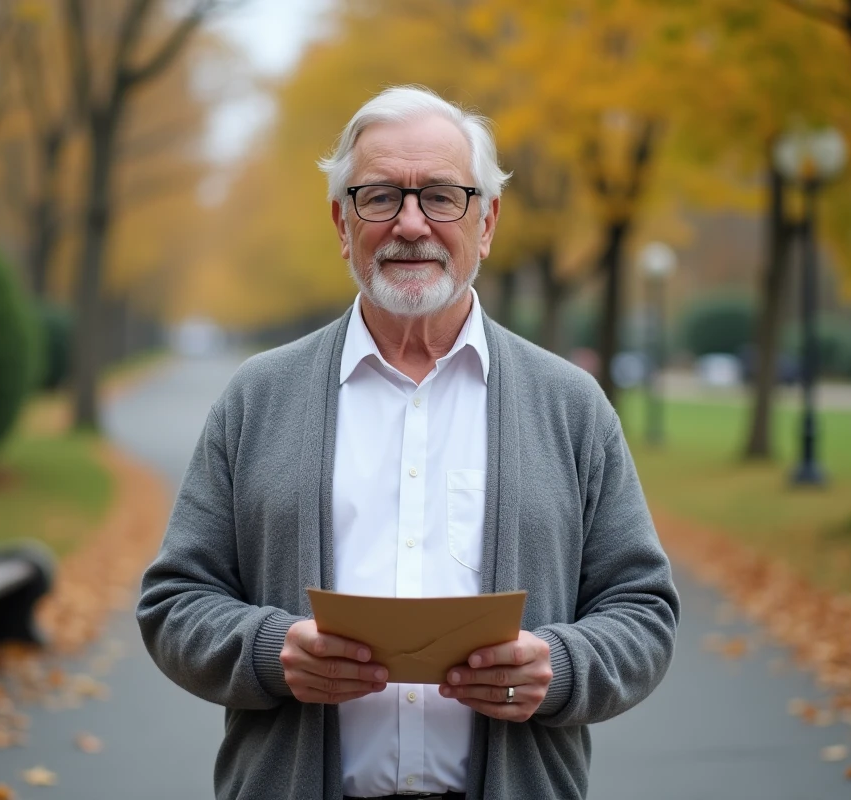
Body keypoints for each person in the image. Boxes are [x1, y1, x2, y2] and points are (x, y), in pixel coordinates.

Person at [137, 85, 680, 800]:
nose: (412, 224)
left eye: (442, 196)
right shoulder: (258, 396)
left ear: (485, 222)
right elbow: (176, 600)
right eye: (382, 196)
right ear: (342, 222)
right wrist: (272, 654)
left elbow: (642, 608)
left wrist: (563, 665)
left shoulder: (570, 405)